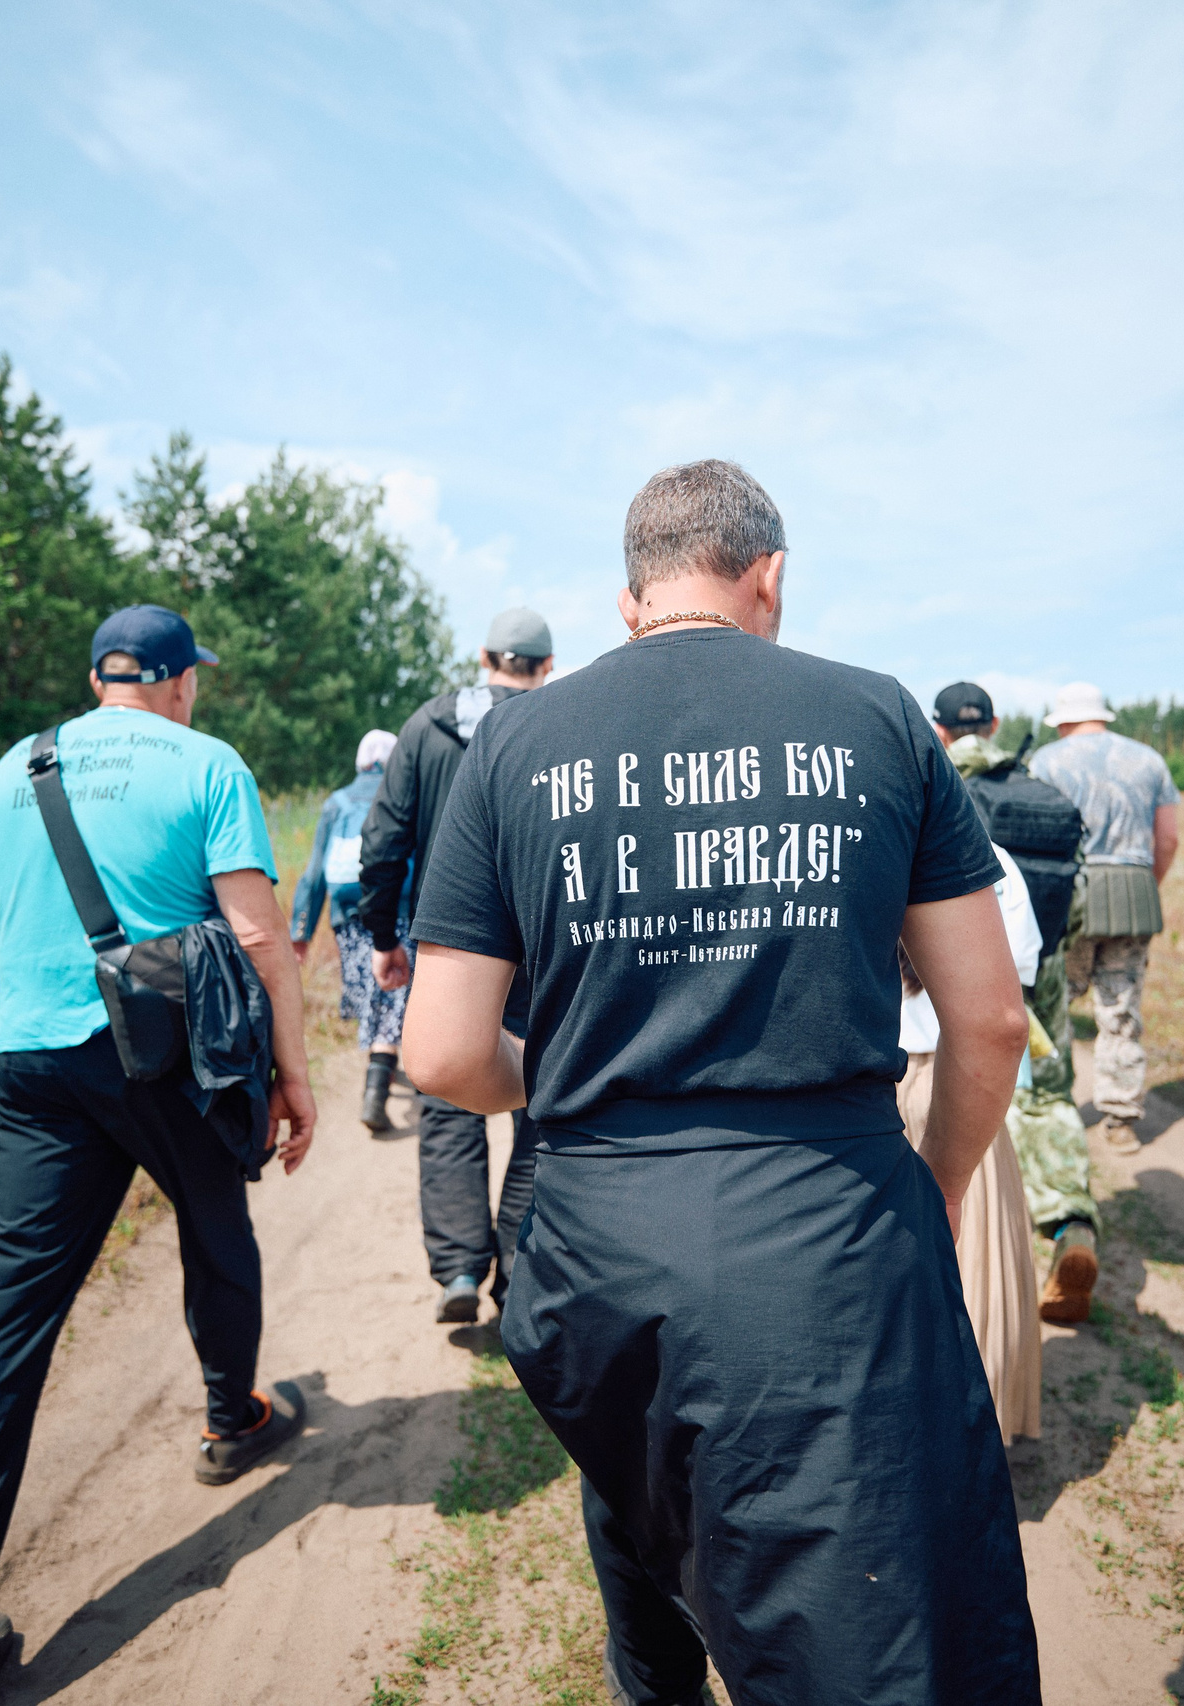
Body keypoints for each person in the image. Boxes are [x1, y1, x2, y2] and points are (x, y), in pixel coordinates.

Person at [403, 459, 1040, 1705]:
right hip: (828, 1226)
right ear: (770, 577)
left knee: (648, 1522)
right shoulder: (877, 715)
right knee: (864, 1610)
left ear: (629, 596)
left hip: (596, 1239)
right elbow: (991, 1017)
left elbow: (438, 1053)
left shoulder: (515, 742)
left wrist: (562, 1077)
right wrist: (937, 1182)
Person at [0, 604, 316, 1705]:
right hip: (160, 1062)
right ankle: (231, 1418)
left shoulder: (7, 769)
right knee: (215, 1224)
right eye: (191, 679)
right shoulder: (207, 763)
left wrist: (40, 1022)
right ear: (175, 681)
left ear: (95, 677)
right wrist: (293, 1074)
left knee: (8, 1313)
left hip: (29, 1060)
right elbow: (258, 933)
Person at [359, 609, 554, 1325]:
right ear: (546, 665)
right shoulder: (555, 728)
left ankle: (460, 1267)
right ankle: (519, 1275)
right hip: (541, 950)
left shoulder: (424, 727)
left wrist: (385, 938)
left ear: (482, 657)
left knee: (446, 1103)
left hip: (448, 947)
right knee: (541, 1102)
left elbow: (382, 841)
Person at [930, 682, 1104, 1324]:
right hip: (1043, 961)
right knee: (1047, 1094)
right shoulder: (1036, 787)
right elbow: (1077, 900)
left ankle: (974, 1270)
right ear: (996, 725)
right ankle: (1070, 1227)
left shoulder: (934, 784)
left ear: (939, 728)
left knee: (962, 1097)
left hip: (954, 969)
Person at [897, 766, 1047, 1442]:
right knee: (972, 1267)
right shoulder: (998, 867)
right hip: (961, 1079)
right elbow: (1008, 1001)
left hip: (866, 1087)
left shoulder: (852, 850)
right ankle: (970, 1435)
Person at [1029, 682, 1180, 1157]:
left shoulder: (1047, 762)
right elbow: (1169, 837)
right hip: (1134, 892)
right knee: (1121, 1010)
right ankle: (1120, 1119)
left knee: (1057, 1001)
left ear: (1064, 720)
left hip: (1071, 893)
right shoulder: (1149, 760)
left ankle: (1052, 1101)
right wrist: (1145, 883)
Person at [292, 727, 408, 1131]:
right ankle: (375, 1090)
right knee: (391, 990)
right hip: (393, 903)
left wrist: (301, 932)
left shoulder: (336, 802)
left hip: (345, 906)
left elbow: (312, 874)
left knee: (368, 985)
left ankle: (382, 1061)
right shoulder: (400, 796)